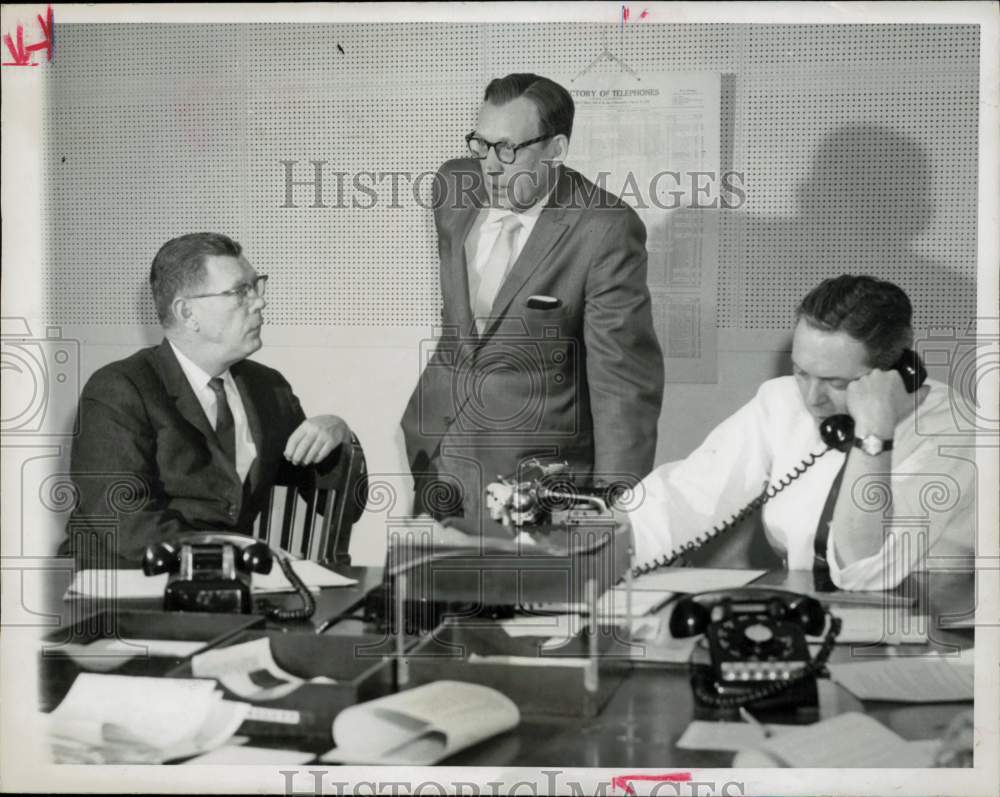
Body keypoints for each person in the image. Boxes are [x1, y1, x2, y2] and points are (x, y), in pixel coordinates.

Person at [401, 73, 665, 532]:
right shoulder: (453, 187)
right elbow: (462, 329)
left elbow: (622, 386)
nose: (491, 166)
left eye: (508, 148)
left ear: (556, 149)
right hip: (440, 461)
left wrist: (608, 511)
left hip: (537, 490)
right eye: (480, 144)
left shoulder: (604, 229)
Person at [626, 275, 975, 591]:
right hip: (816, 612)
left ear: (895, 373)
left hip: (930, 625)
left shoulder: (950, 432)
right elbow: (688, 495)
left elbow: (863, 566)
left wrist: (874, 431)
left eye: (835, 382)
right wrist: (600, 547)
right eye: (801, 372)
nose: (812, 398)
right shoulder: (781, 402)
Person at [60, 232, 351, 569]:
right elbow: (126, 523)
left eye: (257, 286)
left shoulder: (267, 388)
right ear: (187, 312)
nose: (259, 301)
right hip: (119, 588)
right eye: (240, 291)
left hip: (215, 592)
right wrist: (234, 557)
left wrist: (338, 433)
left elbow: (340, 505)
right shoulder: (119, 388)